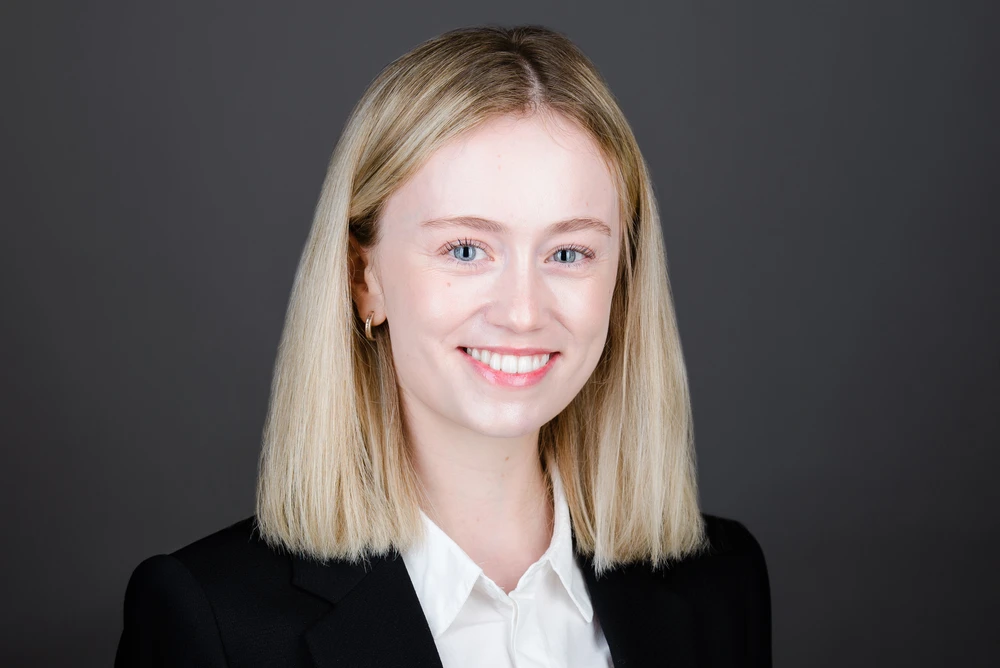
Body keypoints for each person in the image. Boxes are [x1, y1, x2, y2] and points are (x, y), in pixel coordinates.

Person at [114, 25, 771, 668]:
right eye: (465, 249)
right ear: (364, 280)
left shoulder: (720, 584)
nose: (522, 312)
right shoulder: (213, 624)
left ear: (622, 281)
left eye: (569, 253)